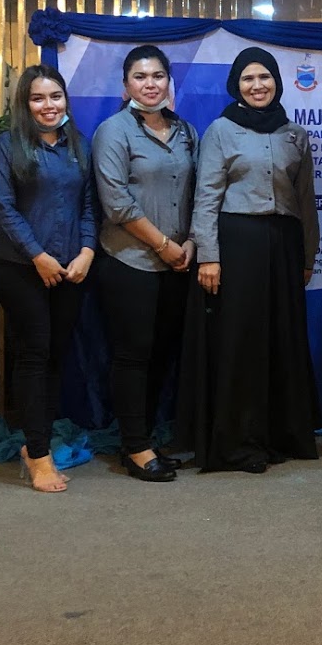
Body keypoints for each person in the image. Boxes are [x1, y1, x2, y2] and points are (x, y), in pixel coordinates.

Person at [189, 47, 322, 474]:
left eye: (265, 77)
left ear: (277, 82)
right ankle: (239, 442)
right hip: (238, 244)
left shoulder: (294, 134)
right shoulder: (220, 130)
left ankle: (280, 434)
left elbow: (305, 200)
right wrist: (208, 257)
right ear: (236, 85)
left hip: (284, 245)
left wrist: (308, 256)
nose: (257, 85)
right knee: (242, 342)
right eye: (248, 78)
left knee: (282, 338)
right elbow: (206, 197)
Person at [0, 66, 97, 493]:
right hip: (20, 268)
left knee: (55, 357)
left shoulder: (79, 146)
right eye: (38, 98)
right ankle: (37, 455)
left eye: (55, 96)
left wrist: (87, 251)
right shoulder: (8, 145)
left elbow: (89, 206)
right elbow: (3, 207)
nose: (48, 106)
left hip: (71, 269)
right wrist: (38, 256)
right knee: (34, 356)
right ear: (25, 103)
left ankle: (38, 444)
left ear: (65, 100)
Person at [93, 45, 197, 483]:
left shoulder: (186, 131)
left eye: (158, 76)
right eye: (140, 76)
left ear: (169, 83)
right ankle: (134, 446)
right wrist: (163, 245)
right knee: (132, 356)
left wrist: (189, 243)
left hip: (179, 264)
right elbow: (116, 202)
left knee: (161, 357)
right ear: (126, 85)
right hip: (130, 261)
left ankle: (146, 440)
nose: (150, 84)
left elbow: (199, 191)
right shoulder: (112, 131)